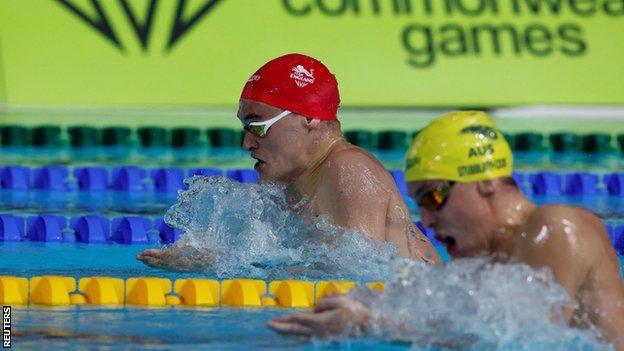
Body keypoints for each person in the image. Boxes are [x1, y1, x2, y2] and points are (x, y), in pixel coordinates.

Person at [268, 111, 624, 349]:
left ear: (486, 182)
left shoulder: (556, 226)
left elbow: (526, 339)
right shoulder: (492, 257)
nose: (428, 219)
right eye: (420, 204)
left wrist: (376, 321)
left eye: (434, 197)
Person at [137, 53, 440, 269]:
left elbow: (359, 273)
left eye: (257, 126)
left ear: (309, 117)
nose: (247, 143)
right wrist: (208, 254)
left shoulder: (348, 168)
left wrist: (224, 264)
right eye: (244, 128)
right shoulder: (293, 183)